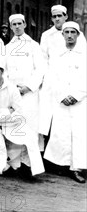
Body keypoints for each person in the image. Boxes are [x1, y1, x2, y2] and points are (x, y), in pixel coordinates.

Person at [0, 58, 45, 178]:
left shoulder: (12, 88)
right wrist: (7, 111)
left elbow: (19, 112)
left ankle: (28, 166)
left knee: (28, 135)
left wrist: (1, 117)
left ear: (2, 72)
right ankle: (6, 166)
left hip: (11, 123)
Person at [44, 22, 87, 183]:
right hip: (61, 100)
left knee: (79, 134)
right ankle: (62, 165)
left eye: (72, 32)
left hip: (80, 101)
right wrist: (62, 95)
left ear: (78, 34)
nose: (69, 35)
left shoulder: (84, 54)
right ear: (62, 35)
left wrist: (77, 95)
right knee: (61, 133)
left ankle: (77, 168)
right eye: (66, 32)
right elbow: (51, 78)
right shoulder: (57, 55)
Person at [4, 14, 44, 147]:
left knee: (30, 123)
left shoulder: (34, 45)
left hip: (30, 92)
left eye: (19, 23)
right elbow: (5, 71)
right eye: (14, 24)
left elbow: (40, 70)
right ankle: (16, 164)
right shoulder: (7, 48)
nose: (17, 27)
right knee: (15, 125)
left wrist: (28, 87)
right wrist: (12, 88)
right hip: (14, 92)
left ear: (25, 25)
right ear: (10, 27)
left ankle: (30, 163)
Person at [39, 5, 70, 137]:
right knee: (48, 113)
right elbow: (43, 58)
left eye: (60, 16)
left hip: (68, 78)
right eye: (54, 16)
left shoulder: (74, 33)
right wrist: (45, 78)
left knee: (65, 113)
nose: (57, 19)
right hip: (51, 78)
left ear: (66, 17)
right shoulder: (46, 35)